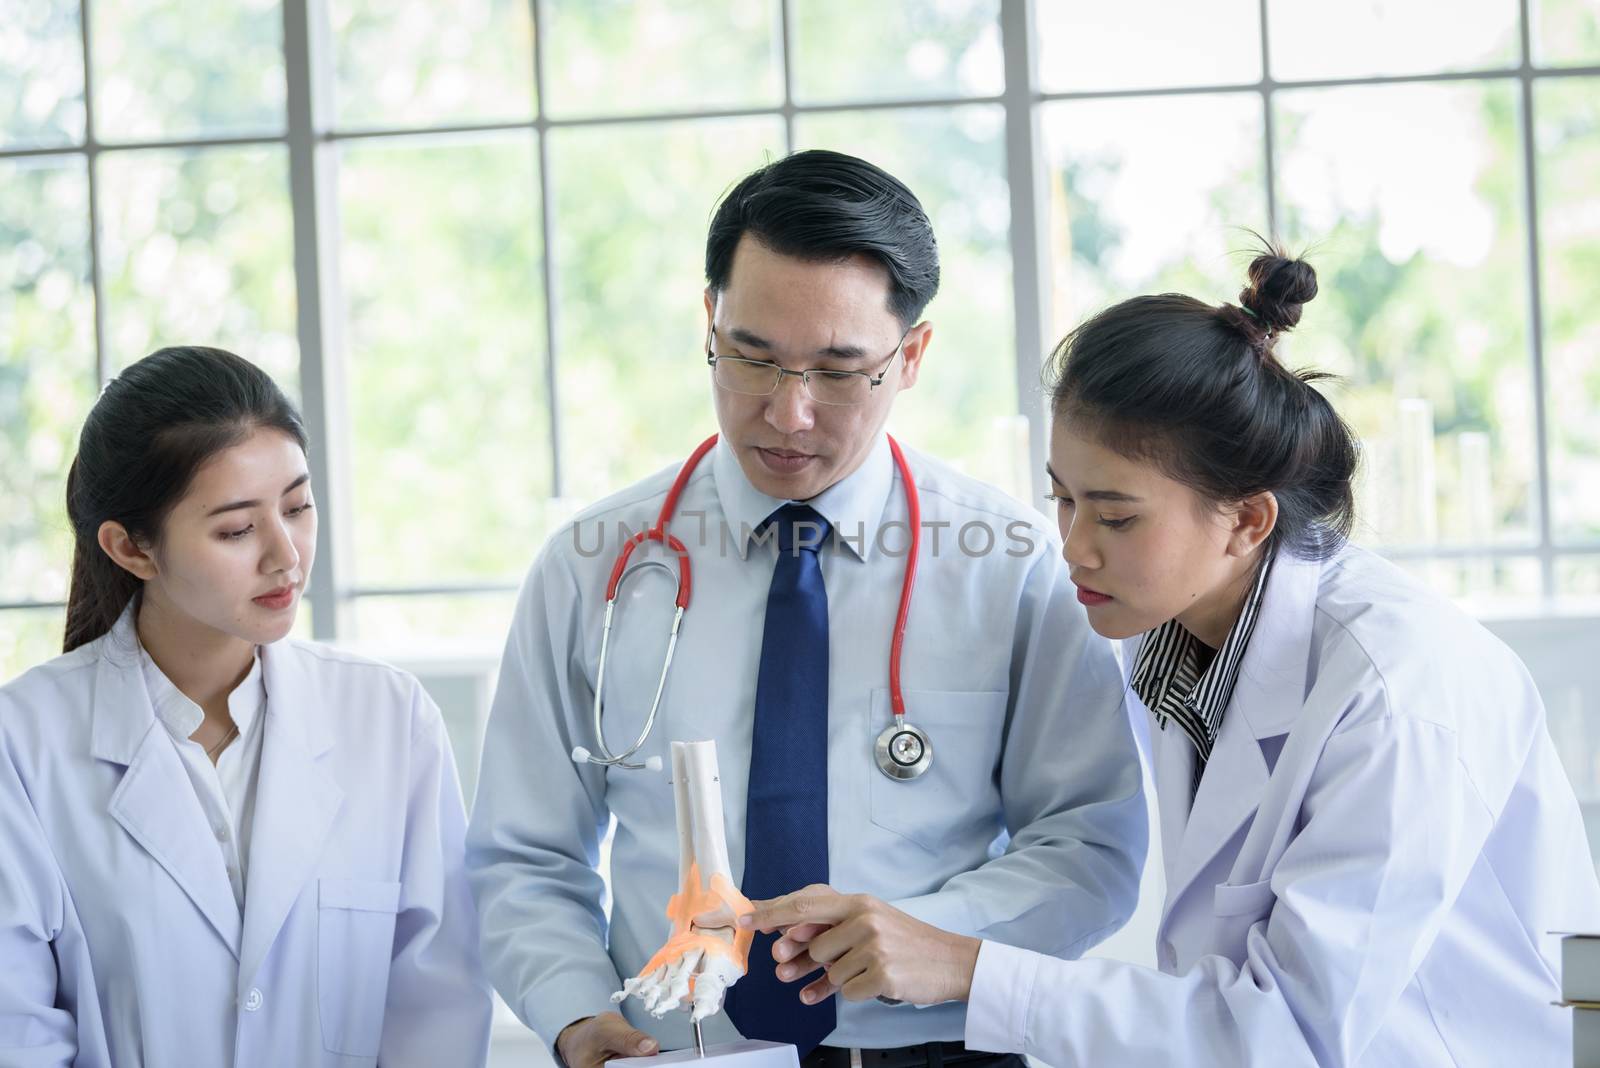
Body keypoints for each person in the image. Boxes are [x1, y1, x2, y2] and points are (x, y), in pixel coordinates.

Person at [741, 249, 1600, 1065]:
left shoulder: (1399, 689)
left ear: (1248, 521)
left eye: (1115, 517)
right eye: (1063, 498)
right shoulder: (1175, 633)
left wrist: (967, 967)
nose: (1072, 546)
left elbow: (1285, 1035)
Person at [466, 149, 1147, 1068]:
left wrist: (927, 937)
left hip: (940, 1050)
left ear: (911, 357)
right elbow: (525, 855)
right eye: (752, 356)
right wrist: (577, 1014)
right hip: (677, 1057)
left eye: (838, 370)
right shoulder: (592, 568)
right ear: (710, 320)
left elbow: (1089, 841)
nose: (787, 413)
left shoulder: (1012, 565)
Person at [0, 346, 494, 1067]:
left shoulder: (388, 720)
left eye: (297, 507)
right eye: (237, 529)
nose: (286, 556)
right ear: (131, 548)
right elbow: (18, 1031)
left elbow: (436, 1007)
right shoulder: (25, 743)